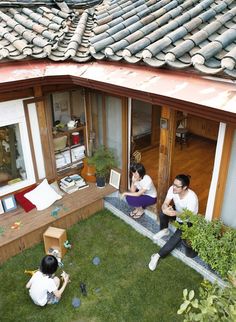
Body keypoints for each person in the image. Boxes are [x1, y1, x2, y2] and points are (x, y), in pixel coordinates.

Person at [148, 174, 198, 271]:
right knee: (162, 212)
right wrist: (165, 208)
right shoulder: (172, 189)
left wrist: (174, 213)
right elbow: (165, 203)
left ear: (184, 187)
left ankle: (157, 256)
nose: (173, 187)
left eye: (177, 186)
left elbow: (188, 216)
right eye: (173, 184)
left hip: (188, 220)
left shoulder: (192, 198)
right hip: (177, 212)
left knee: (175, 238)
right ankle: (165, 230)